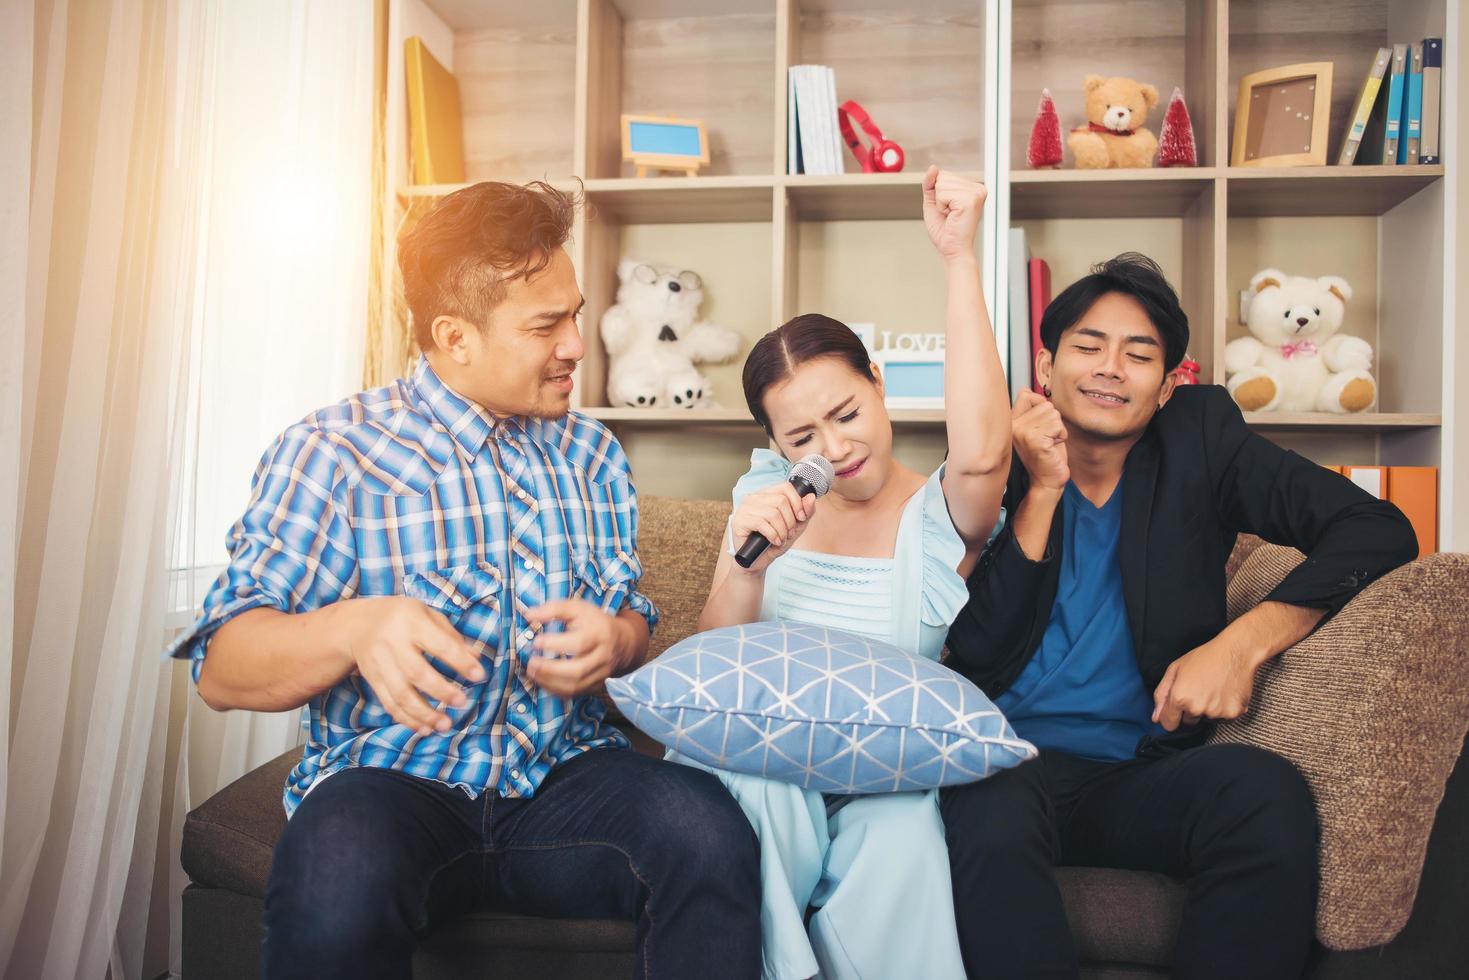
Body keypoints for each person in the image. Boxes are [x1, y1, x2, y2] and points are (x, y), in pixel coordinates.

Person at [167, 180, 761, 979]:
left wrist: (618, 639)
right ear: (454, 336)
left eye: (575, 315)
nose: (577, 346)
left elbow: (633, 620)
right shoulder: (333, 453)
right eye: (545, 325)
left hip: (564, 780)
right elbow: (222, 671)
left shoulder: (593, 456)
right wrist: (353, 626)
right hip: (390, 787)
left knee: (709, 831)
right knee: (335, 874)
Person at [941, 253, 1419, 979]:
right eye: (1087, 346)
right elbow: (976, 652)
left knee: (1262, 794)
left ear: (1167, 386)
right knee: (986, 804)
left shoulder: (1201, 443)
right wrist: (1038, 490)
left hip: (1132, 777)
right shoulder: (989, 464)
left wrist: (1246, 640)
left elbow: (1377, 529)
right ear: (1044, 364)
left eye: (1138, 356)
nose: (1110, 369)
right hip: (1003, 765)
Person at [678, 167, 1012, 980]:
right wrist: (750, 568)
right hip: (764, 756)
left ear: (881, 387)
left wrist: (958, 257)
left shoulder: (941, 516)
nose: (832, 449)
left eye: (846, 413)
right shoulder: (763, 499)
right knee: (763, 794)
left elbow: (985, 451)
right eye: (801, 436)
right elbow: (711, 664)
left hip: (884, 770)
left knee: (902, 840)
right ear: (774, 442)